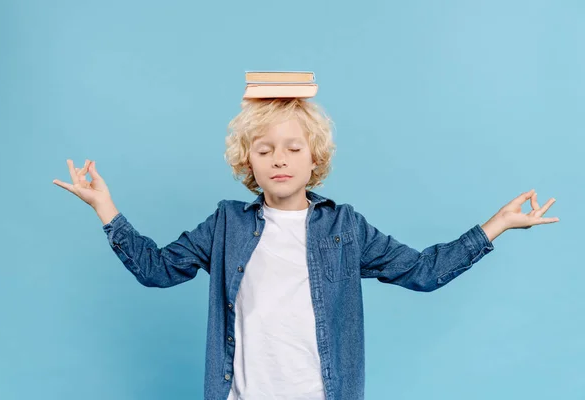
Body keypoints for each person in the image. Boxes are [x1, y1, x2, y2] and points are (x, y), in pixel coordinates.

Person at [52, 98, 559, 400]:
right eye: (265, 149)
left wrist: (497, 225)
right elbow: (157, 270)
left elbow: (423, 272)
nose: (280, 160)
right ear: (247, 161)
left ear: (313, 157)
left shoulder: (345, 227)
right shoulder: (227, 223)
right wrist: (106, 208)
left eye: (293, 148)